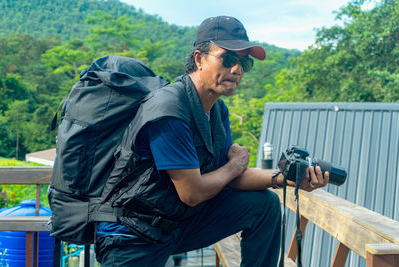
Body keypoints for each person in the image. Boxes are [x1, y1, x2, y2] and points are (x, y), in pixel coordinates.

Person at [95, 16, 329, 266]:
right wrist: (234, 165)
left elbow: (231, 177)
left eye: (244, 63)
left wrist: (285, 178)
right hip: (132, 234)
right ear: (199, 59)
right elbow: (193, 193)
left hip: (176, 223)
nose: (237, 70)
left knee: (265, 205)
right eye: (228, 59)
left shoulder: (217, 111)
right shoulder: (169, 110)